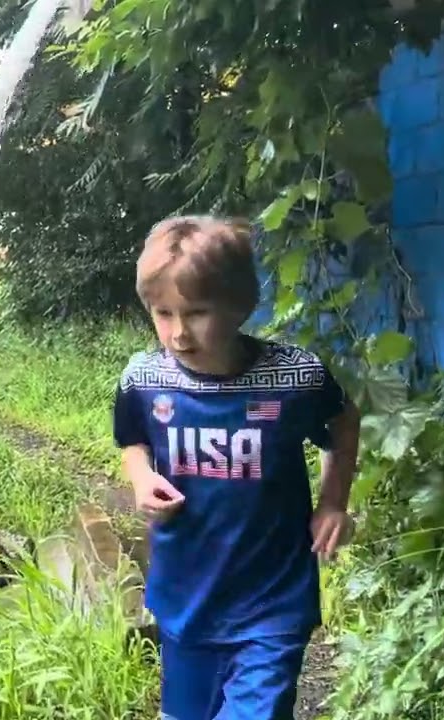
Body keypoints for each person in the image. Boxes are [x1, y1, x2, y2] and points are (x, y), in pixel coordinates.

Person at [111, 215, 360, 720]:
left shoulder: (295, 377)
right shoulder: (144, 378)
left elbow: (344, 421)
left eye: (197, 312)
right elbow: (131, 436)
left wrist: (333, 501)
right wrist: (140, 478)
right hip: (186, 597)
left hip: (273, 600)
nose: (179, 332)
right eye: (163, 314)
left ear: (240, 304)